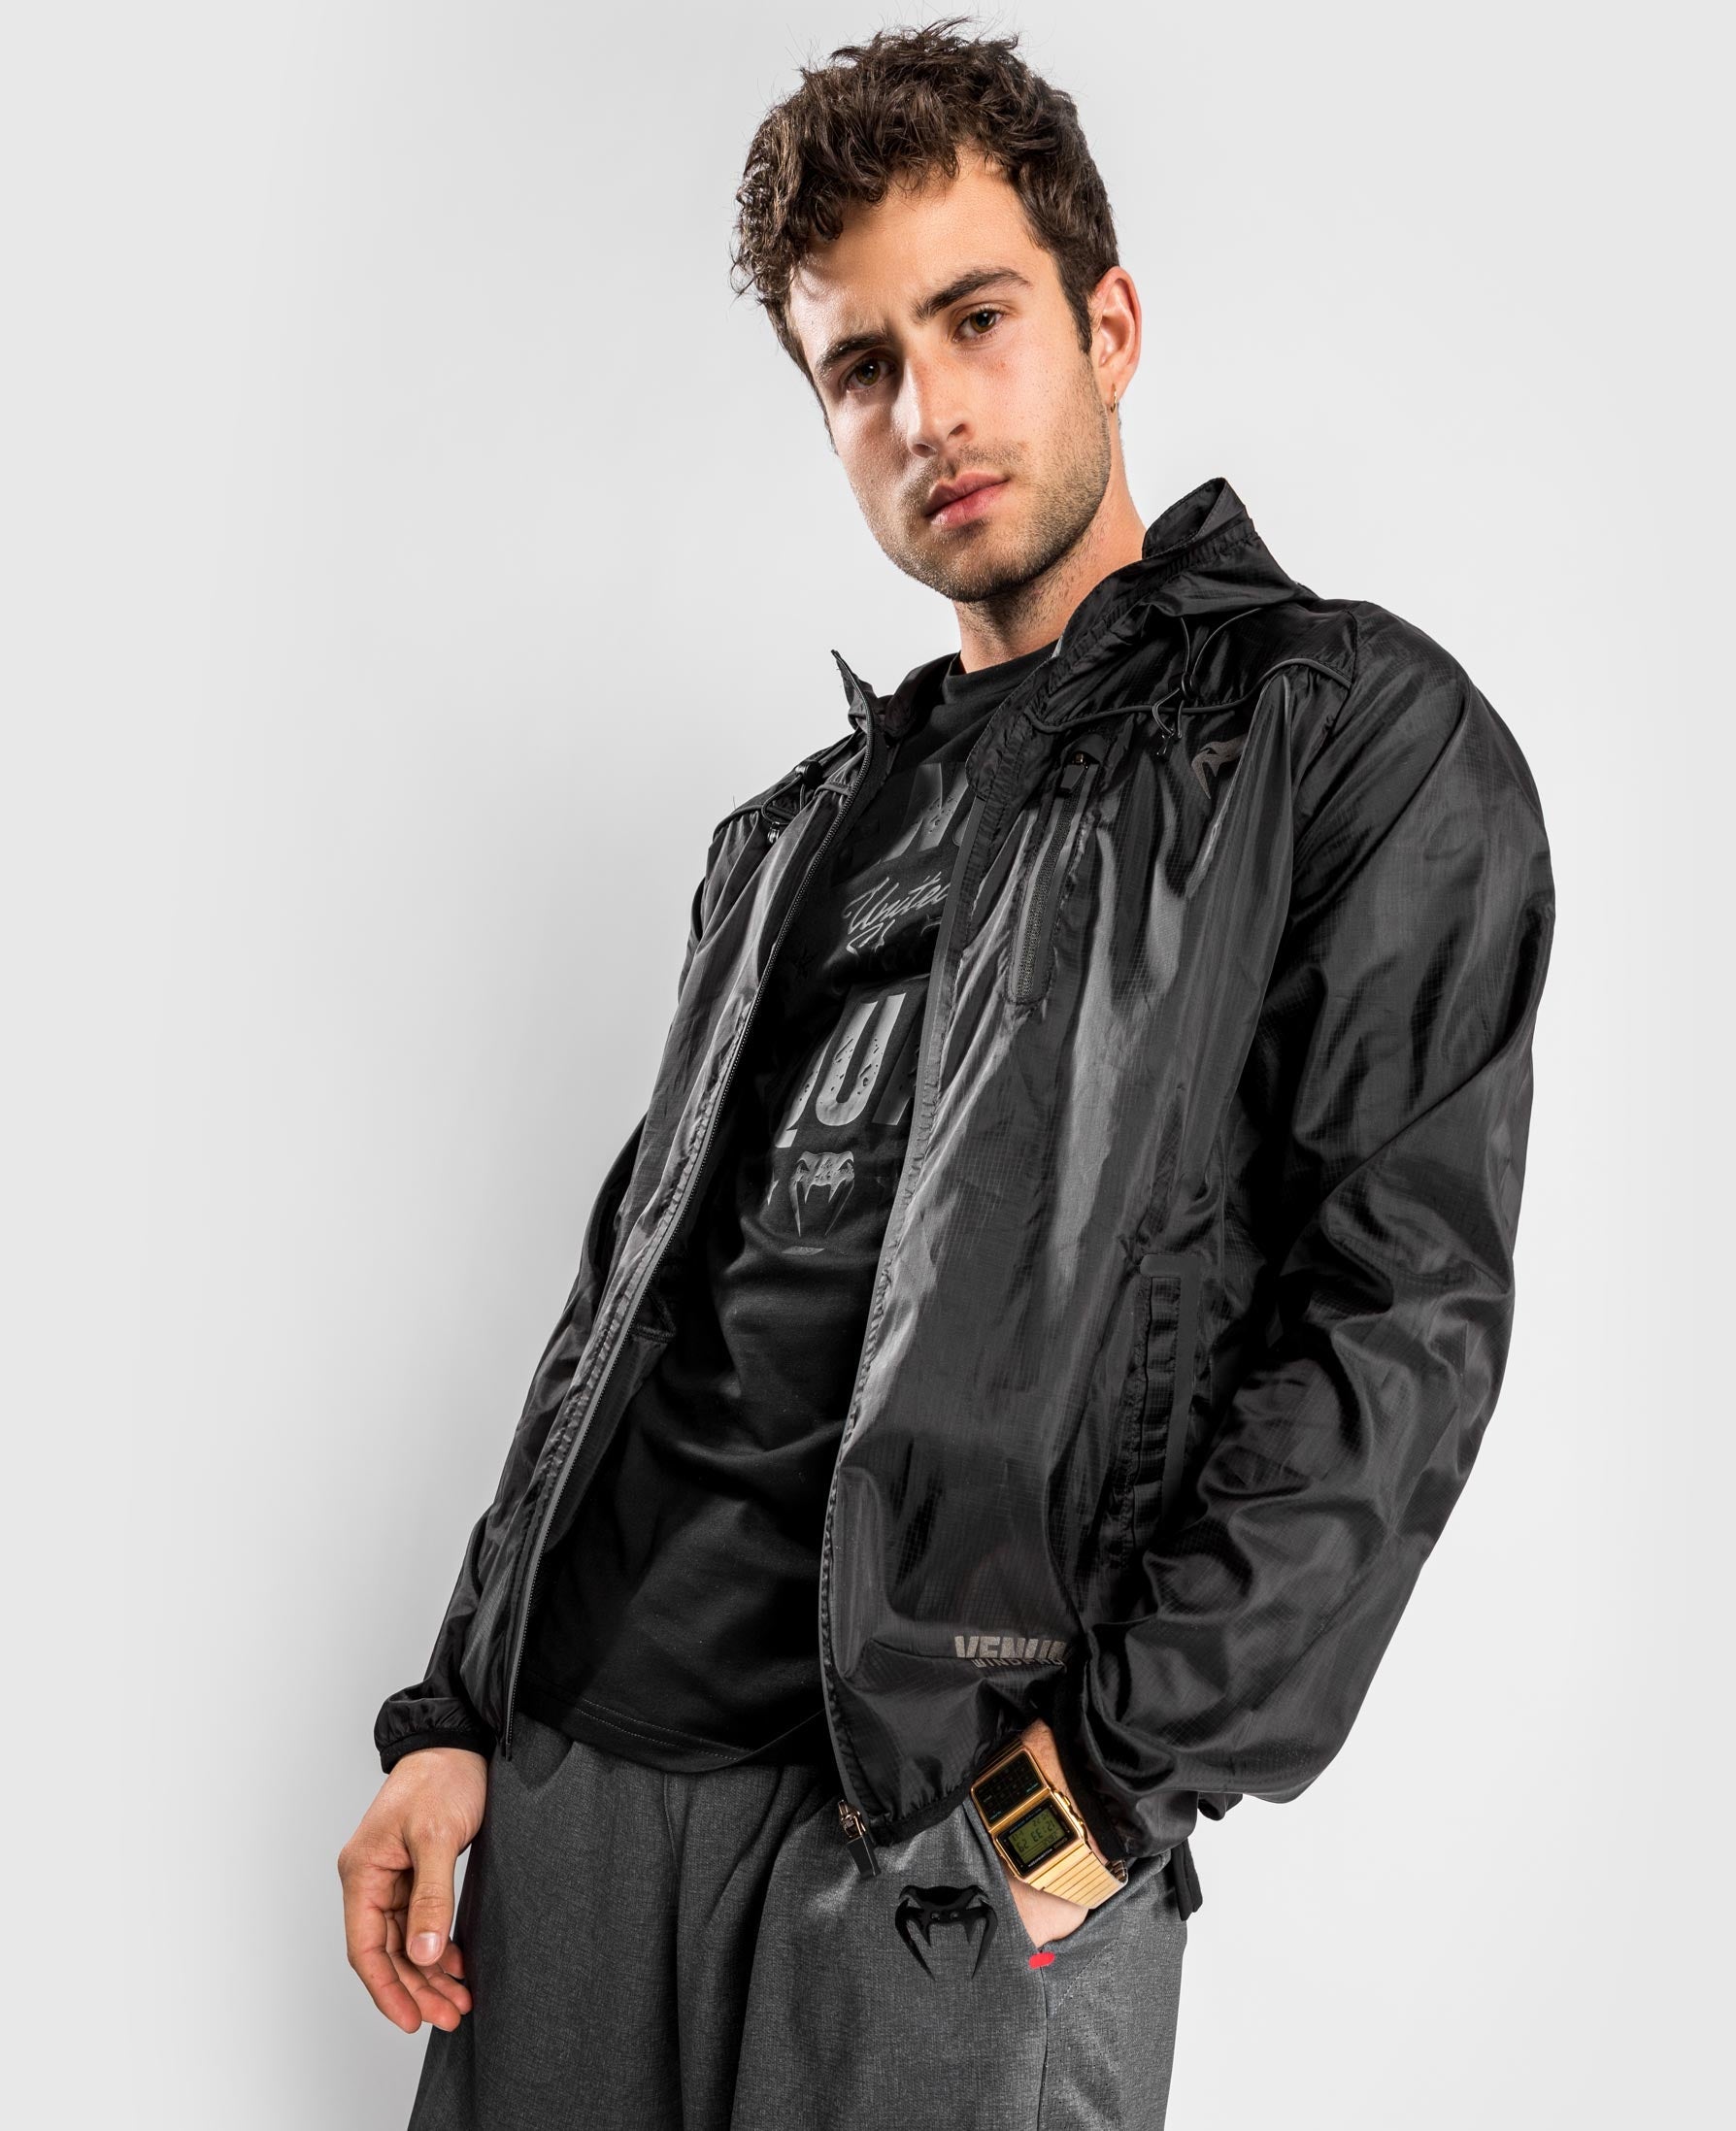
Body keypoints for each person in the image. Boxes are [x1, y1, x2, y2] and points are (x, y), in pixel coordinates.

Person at [338, 19, 1556, 2129]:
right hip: (582, 1790)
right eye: (860, 368)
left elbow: (1397, 1320)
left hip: (942, 1842)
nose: (929, 413)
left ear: (1109, 323)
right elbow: (630, 1296)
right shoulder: (790, 836)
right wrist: (454, 1711)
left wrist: (1095, 1803)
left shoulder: (1340, 733)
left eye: (976, 321)